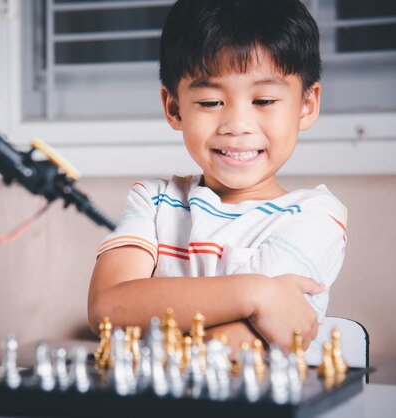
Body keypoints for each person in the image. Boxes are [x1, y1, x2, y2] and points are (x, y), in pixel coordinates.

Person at [87, 0, 347, 354]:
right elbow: (108, 308)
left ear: (307, 104)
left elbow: (250, 337)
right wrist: (255, 292)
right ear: (174, 108)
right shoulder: (152, 200)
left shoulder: (316, 215)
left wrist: (149, 310)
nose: (237, 126)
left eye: (265, 100)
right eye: (210, 102)